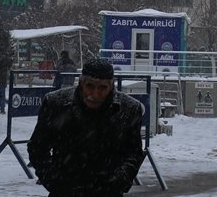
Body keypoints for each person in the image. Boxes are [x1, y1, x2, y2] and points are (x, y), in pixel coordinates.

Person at [28, 58, 145, 196]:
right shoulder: (55, 104)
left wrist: (119, 179)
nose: (95, 95)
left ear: (111, 86)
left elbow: (134, 152)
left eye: (102, 88)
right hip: (65, 190)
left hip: (108, 191)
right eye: (90, 86)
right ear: (81, 83)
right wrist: (54, 180)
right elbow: (38, 148)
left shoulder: (129, 109)